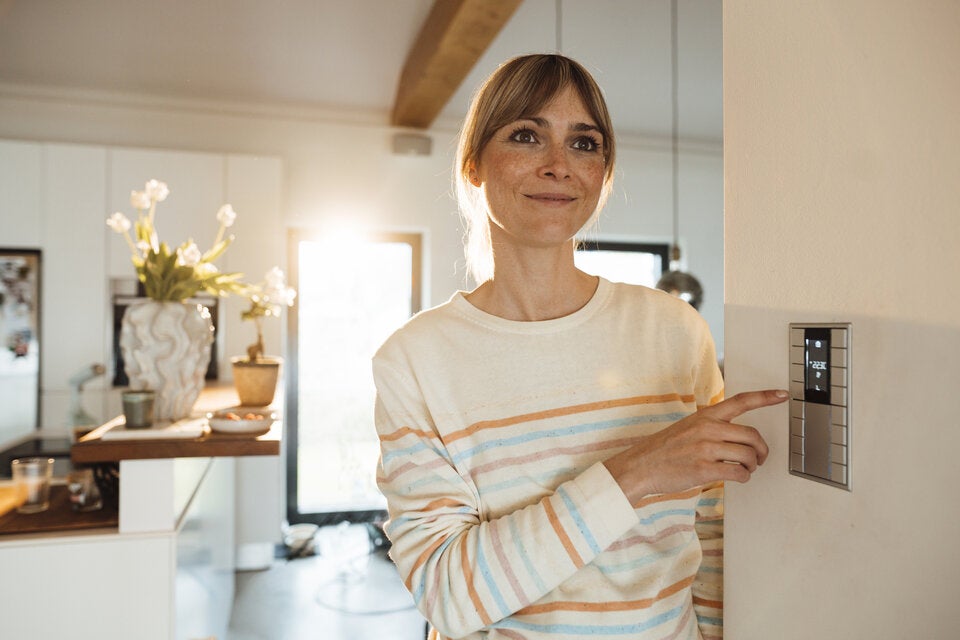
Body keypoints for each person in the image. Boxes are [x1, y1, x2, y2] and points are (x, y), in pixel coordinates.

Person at [373, 54, 786, 640]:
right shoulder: (414, 361)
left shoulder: (675, 331)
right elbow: (446, 593)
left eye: (584, 144)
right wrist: (638, 470)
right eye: (526, 135)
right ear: (473, 165)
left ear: (603, 172)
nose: (558, 165)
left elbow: (714, 536)